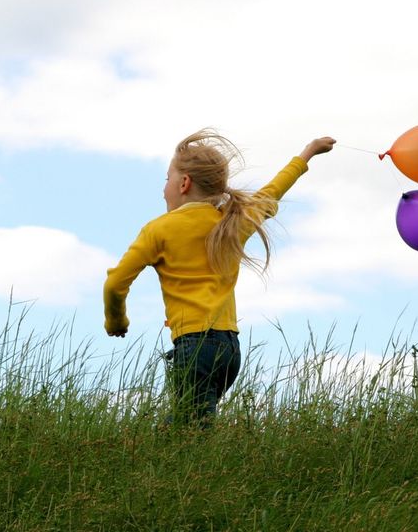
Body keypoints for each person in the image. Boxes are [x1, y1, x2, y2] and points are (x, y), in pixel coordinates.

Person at [103, 129, 336, 426]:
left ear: (184, 183)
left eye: (167, 180)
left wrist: (116, 321)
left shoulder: (158, 230)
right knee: (188, 422)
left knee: (189, 431)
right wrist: (307, 153)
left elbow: (115, 283)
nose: (164, 189)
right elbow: (273, 190)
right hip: (229, 349)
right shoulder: (232, 222)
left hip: (194, 346)